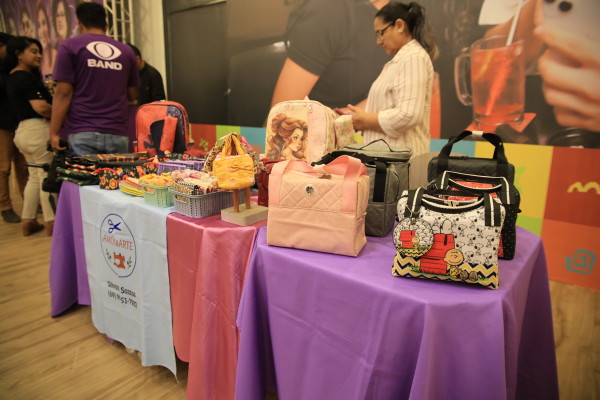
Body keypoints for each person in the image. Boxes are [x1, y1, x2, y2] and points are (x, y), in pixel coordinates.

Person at [348, 2, 437, 156]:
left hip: (401, 164)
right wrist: (363, 118)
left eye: (380, 33)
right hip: (387, 161)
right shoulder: (401, 60)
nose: (378, 41)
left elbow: (408, 115)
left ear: (399, 26)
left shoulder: (414, 58)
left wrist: (367, 121)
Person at [49, 2, 139, 155]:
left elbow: (63, 93)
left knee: (85, 172)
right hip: (117, 132)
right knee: (116, 172)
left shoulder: (70, 46)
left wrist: (54, 132)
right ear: (106, 25)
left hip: (83, 131)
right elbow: (132, 95)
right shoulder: (126, 51)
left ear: (79, 24)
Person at [270, 0, 392, 110]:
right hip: (319, 123)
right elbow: (281, 117)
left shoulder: (400, 9)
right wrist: (360, 111)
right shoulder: (327, 12)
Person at [3, 36, 55, 236]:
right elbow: (41, 107)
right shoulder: (25, 78)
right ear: (18, 54)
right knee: (46, 176)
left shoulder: (11, 77)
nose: (39, 55)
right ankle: (52, 222)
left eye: (39, 51)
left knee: (34, 176)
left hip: (23, 132)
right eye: (33, 51)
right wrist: (60, 115)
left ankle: (29, 220)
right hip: (37, 131)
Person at [0, 32, 28, 224]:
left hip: (21, 122)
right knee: (3, 168)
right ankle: (5, 206)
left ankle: (29, 201)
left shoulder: (17, 69)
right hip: (3, 124)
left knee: (24, 166)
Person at [36, 2, 58, 77]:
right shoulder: (36, 61)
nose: (42, 30)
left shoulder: (56, 55)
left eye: (44, 23)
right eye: (38, 25)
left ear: (48, 26)